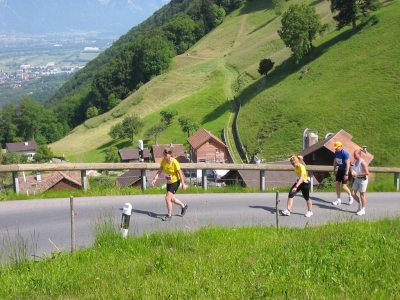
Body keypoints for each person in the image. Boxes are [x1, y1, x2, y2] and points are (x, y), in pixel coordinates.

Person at [151, 147, 188, 221]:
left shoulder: (174, 162)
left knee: (167, 198)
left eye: (166, 154)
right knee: (173, 199)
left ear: (170, 154)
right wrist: (155, 179)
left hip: (175, 182)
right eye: (164, 154)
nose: (164, 156)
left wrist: (183, 184)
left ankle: (169, 215)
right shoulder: (163, 161)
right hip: (169, 182)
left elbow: (180, 174)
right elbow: (160, 171)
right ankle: (183, 206)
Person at [332, 141, 354, 205]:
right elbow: (335, 161)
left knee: (344, 186)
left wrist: (346, 173)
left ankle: (350, 196)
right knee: (337, 183)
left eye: (337, 147)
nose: (336, 149)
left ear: (341, 146)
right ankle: (338, 199)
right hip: (340, 169)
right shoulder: (336, 153)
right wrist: (334, 169)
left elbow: (348, 164)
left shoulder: (345, 153)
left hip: (345, 170)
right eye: (335, 148)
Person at [351, 149, 369, 216]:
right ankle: (359, 204)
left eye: (355, 155)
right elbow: (353, 169)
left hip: (363, 180)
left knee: (362, 195)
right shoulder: (355, 161)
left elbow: (367, 173)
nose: (354, 156)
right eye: (354, 155)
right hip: (356, 179)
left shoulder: (363, 163)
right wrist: (351, 179)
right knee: (353, 193)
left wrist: (357, 174)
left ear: (359, 155)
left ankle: (363, 209)